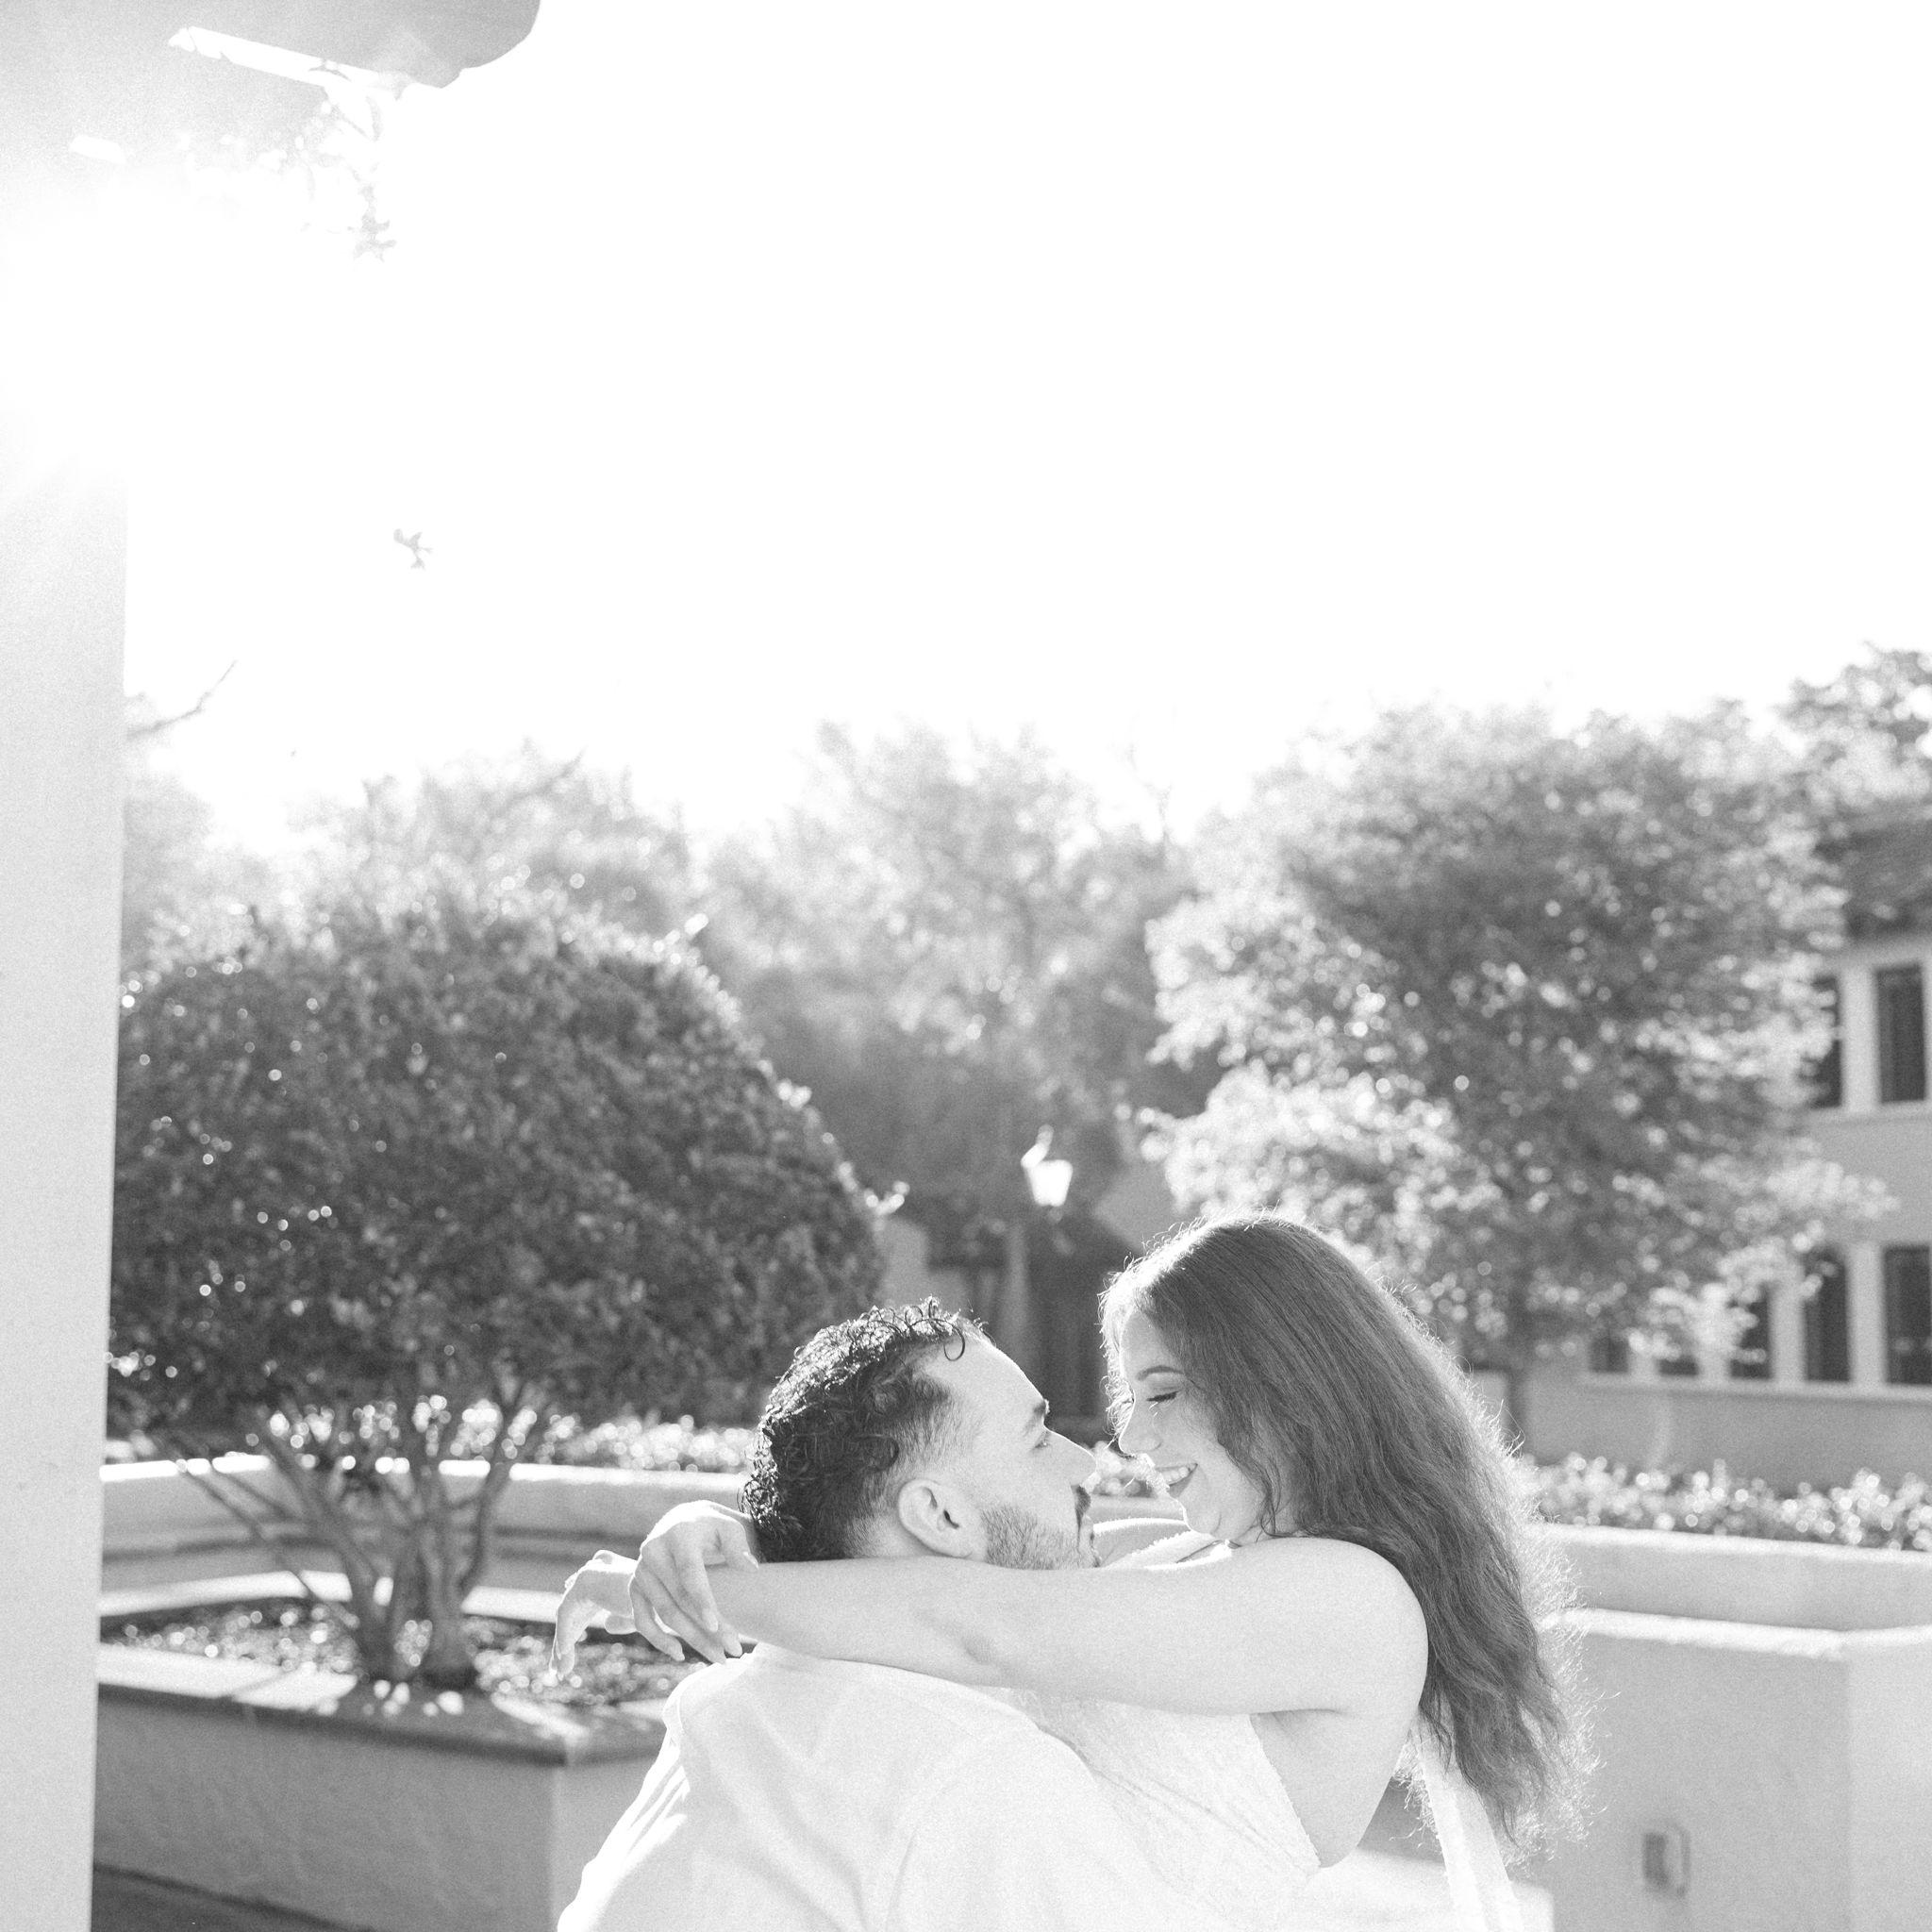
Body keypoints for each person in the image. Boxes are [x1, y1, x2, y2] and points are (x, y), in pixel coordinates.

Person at [559, 1216, 1582, 1932]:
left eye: (1162, 1391)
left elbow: (982, 1623)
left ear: (1285, 1384)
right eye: (1127, 1398)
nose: (1126, 1440)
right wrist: (719, 1530)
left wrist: (713, 1592)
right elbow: (950, 1559)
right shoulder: (1186, 1564)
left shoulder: (1352, 1602)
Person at [555, 1301, 1222, 1932]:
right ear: (940, 1516)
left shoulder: (730, 1711)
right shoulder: (982, 1778)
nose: (1086, 1463)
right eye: (1038, 1439)